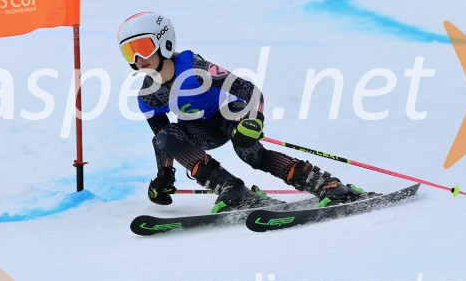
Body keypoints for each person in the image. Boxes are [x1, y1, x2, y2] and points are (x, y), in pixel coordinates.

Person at [117, 12, 371, 213]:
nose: (139, 58)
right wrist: (164, 176)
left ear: (164, 41)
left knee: (252, 155)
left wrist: (252, 121)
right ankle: (231, 190)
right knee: (165, 135)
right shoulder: (148, 96)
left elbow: (250, 90)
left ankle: (328, 186)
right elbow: (164, 141)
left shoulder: (193, 67)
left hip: (230, 114)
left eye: (143, 46)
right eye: (129, 51)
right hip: (201, 131)